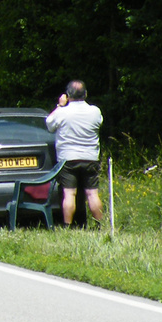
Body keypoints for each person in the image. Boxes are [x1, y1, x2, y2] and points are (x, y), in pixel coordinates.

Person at [45, 81, 105, 226]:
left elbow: (49, 125)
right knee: (92, 194)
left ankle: (67, 226)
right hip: (90, 157)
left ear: (68, 95)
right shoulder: (95, 111)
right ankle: (99, 225)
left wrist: (60, 105)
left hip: (68, 159)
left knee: (69, 194)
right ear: (85, 94)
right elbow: (99, 123)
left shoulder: (62, 112)